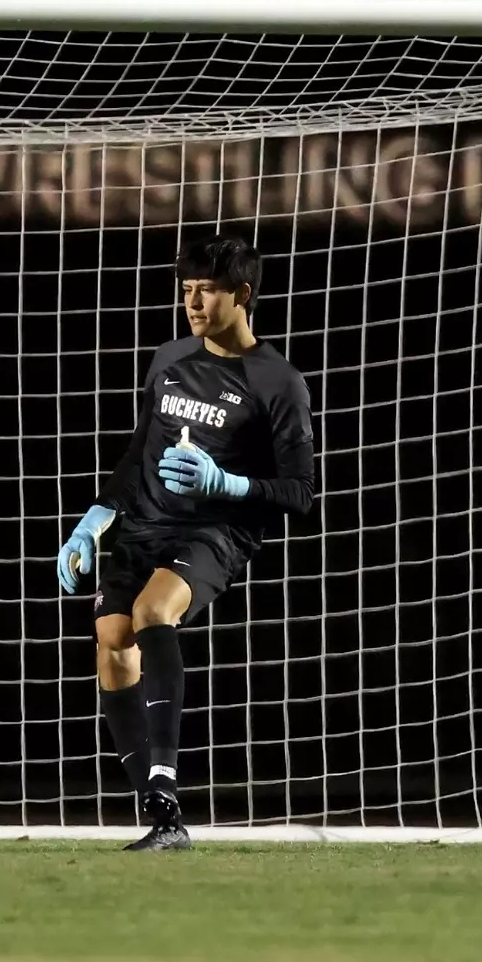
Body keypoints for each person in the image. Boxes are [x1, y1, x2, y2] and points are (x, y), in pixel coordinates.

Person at [57, 234, 315, 850]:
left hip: (215, 530)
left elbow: (300, 492)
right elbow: (137, 452)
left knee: (153, 612)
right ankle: (160, 813)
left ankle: (166, 781)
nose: (194, 303)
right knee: (112, 641)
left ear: (243, 295)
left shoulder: (278, 382)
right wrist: (95, 517)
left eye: (208, 291)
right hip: (144, 522)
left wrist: (227, 483)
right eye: (187, 291)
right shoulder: (169, 359)